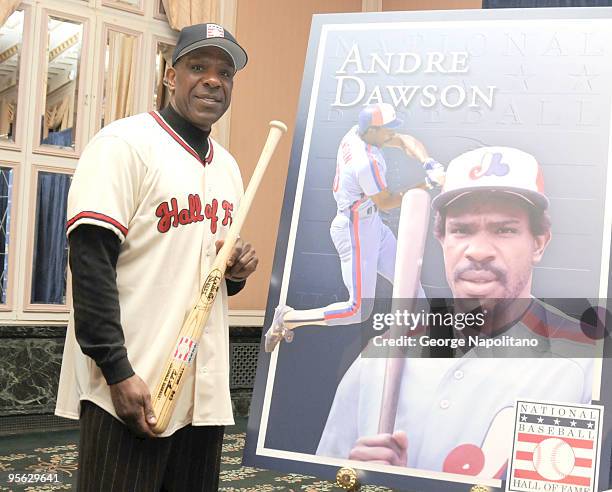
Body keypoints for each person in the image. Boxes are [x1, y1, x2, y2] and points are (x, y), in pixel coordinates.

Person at [55, 23, 257, 491]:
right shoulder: (122, 145)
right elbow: (89, 264)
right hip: (132, 382)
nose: (213, 80)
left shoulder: (227, 167)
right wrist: (117, 371)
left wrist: (236, 271)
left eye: (224, 72)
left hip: (201, 391)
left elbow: (207, 275)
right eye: (198, 67)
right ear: (170, 75)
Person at [316, 146, 594, 478]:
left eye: (504, 230)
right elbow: (322, 478)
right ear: (441, 239)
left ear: (539, 243)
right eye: (461, 230)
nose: (477, 251)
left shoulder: (581, 364)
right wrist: (363, 482)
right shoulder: (382, 353)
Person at [264, 103, 445, 352]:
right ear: (372, 130)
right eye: (387, 129)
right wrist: (427, 185)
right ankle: (288, 318)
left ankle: (429, 346)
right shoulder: (364, 162)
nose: (391, 133)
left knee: (410, 281)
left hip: (371, 224)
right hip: (354, 232)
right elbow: (387, 201)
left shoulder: (358, 132)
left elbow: (404, 140)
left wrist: (428, 163)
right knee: (357, 310)